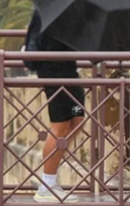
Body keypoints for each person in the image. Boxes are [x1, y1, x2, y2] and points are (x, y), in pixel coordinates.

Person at [25, 11, 84, 203]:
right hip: (54, 75)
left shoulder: (71, 9)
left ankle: (51, 174)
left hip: (69, 74)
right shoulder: (47, 10)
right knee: (60, 126)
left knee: (78, 118)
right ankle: (47, 186)